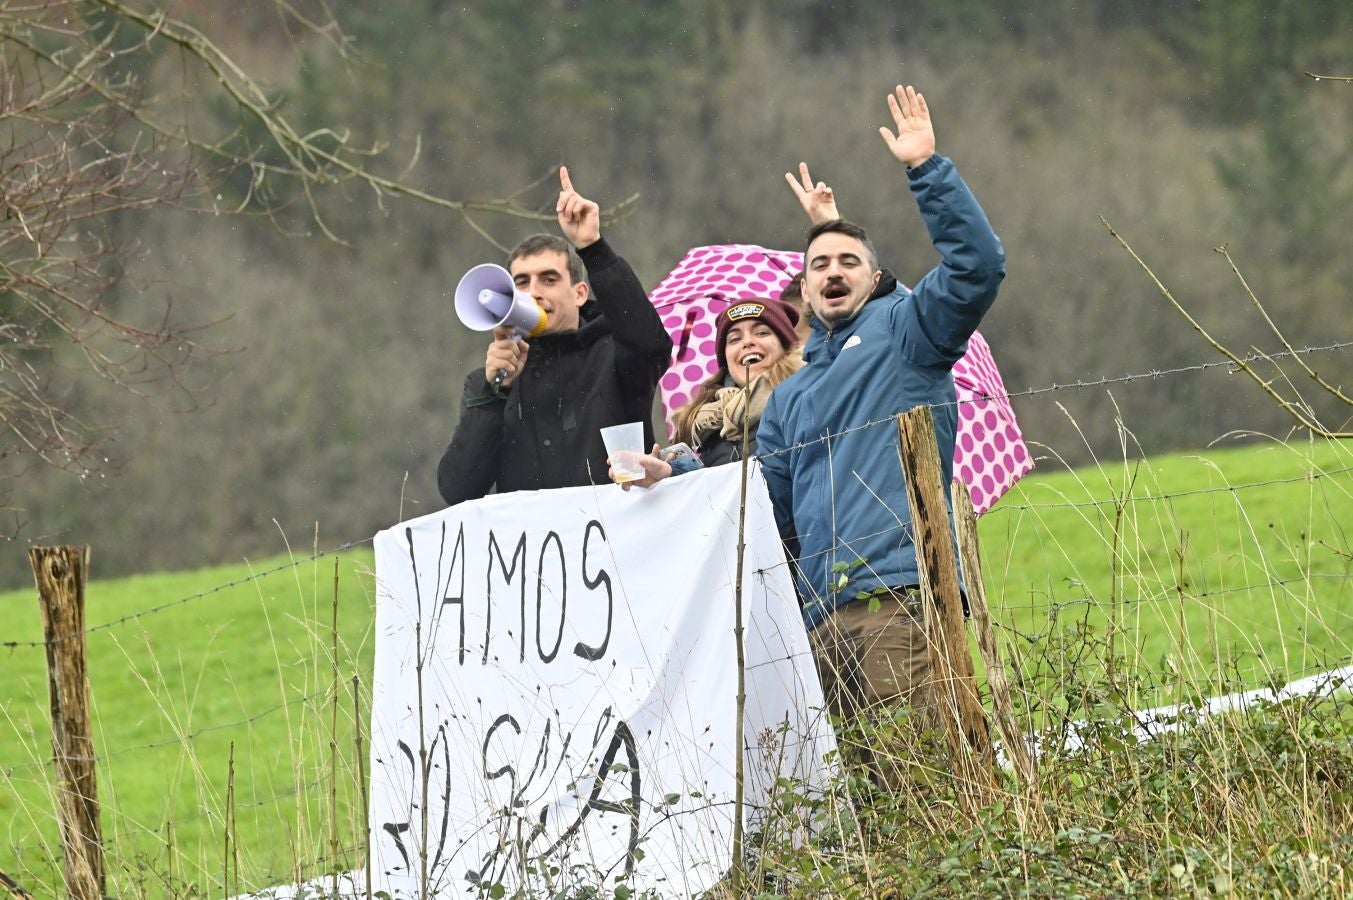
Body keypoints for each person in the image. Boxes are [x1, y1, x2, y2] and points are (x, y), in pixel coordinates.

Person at [756, 84, 1006, 724]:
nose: (833, 271)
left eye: (848, 262)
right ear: (803, 293)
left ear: (876, 278)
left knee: (927, 777)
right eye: (819, 265)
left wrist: (926, 168)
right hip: (822, 621)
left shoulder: (908, 331)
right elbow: (768, 513)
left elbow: (978, 266)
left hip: (903, 596)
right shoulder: (790, 397)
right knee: (861, 806)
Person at [438, 167, 672, 505]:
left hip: (616, 547)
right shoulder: (487, 383)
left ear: (579, 293)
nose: (533, 291)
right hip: (531, 554)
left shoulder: (614, 355)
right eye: (521, 282)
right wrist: (492, 397)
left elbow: (650, 343)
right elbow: (458, 490)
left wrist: (592, 248)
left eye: (548, 279)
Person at [609, 299, 802, 488]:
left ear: (785, 347)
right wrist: (668, 475)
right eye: (734, 339)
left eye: (761, 332)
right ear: (725, 360)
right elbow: (713, 497)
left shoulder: (805, 401)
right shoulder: (708, 427)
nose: (748, 342)